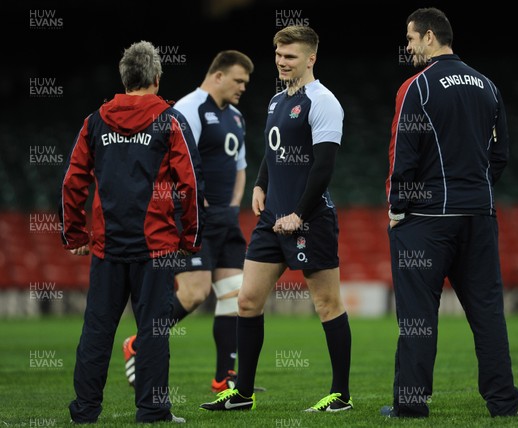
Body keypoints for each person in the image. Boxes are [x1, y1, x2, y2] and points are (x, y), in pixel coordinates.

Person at [199, 25, 353, 412]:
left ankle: (341, 395)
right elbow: (273, 150)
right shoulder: (275, 101)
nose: (282, 63)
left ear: (311, 58)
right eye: (279, 55)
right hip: (271, 220)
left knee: (327, 304)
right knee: (247, 301)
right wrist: (260, 184)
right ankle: (243, 394)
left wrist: (299, 214)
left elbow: (323, 167)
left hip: (311, 219)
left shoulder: (324, 101)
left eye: (291, 56)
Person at [382, 7, 518, 419]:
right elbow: (501, 155)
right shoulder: (487, 85)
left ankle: (411, 404)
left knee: (418, 316)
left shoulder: (416, 87)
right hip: (479, 215)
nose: (407, 48)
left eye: (410, 39)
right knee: (488, 313)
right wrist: (474, 192)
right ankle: (503, 403)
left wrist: (396, 207)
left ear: (429, 37)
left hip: (426, 220)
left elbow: (401, 154)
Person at [60, 40, 205, 424]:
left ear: (125, 79)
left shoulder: (94, 122)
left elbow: (72, 181)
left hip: (107, 249)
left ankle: (85, 410)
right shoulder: (171, 120)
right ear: (157, 79)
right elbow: (189, 184)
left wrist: (75, 234)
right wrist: (190, 239)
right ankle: (153, 410)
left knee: (96, 329)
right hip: (156, 249)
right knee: (154, 332)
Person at [121, 50, 260, 394]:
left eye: (246, 82)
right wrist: (200, 205)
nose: (243, 87)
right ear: (218, 76)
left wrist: (231, 205)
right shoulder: (189, 108)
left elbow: (240, 166)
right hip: (194, 218)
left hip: (226, 218)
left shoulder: (237, 118)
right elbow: (177, 163)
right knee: (196, 294)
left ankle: (224, 379)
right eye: (238, 80)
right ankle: (139, 342)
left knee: (233, 296)